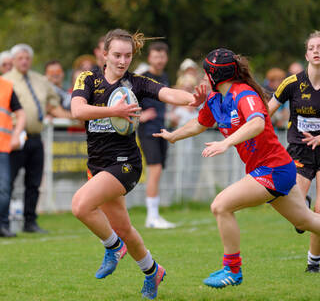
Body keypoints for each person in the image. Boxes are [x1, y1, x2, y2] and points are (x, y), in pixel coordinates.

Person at [153, 47, 320, 289]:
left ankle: (232, 270)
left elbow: (257, 123)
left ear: (214, 76)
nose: (202, 78)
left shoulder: (244, 94)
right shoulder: (215, 98)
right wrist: (173, 136)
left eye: (205, 73)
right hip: (268, 169)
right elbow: (200, 124)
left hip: (273, 168)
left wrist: (226, 142)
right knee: (306, 221)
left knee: (220, 205)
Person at [70, 29, 206, 299]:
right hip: (97, 165)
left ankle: (112, 247)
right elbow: (77, 111)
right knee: (124, 229)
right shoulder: (88, 78)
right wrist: (114, 111)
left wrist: (193, 99)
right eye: (117, 55)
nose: (122, 61)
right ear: (104, 54)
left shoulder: (137, 83)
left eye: (128, 56)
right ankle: (152, 272)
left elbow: (167, 93)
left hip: (125, 165)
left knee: (80, 206)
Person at [3, 44, 72, 233]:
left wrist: (69, 115)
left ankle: (30, 221)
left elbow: (53, 103)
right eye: (20, 58)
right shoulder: (6, 81)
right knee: (7, 182)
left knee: (34, 183)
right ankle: (4, 222)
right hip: (15, 138)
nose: (24, 61)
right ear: (14, 60)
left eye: (27, 58)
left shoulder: (40, 80)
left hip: (35, 137)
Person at [269, 30, 320, 272]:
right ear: (306, 53)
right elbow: (265, 113)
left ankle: (313, 262)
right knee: (297, 211)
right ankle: (303, 205)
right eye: (312, 47)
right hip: (299, 151)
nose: (317, 51)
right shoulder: (292, 82)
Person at [137, 41, 175, 229]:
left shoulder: (165, 78)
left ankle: (155, 216)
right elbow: (126, 99)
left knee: (158, 171)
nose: (159, 60)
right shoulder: (142, 79)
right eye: (155, 56)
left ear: (166, 58)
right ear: (149, 58)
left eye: (162, 56)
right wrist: (139, 116)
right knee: (155, 170)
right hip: (147, 131)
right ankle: (151, 217)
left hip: (162, 129)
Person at [0, 76, 25, 237]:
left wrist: (16, 135)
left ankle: (2, 225)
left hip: (2, 147)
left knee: (4, 188)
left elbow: (21, 114)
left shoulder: (6, 86)